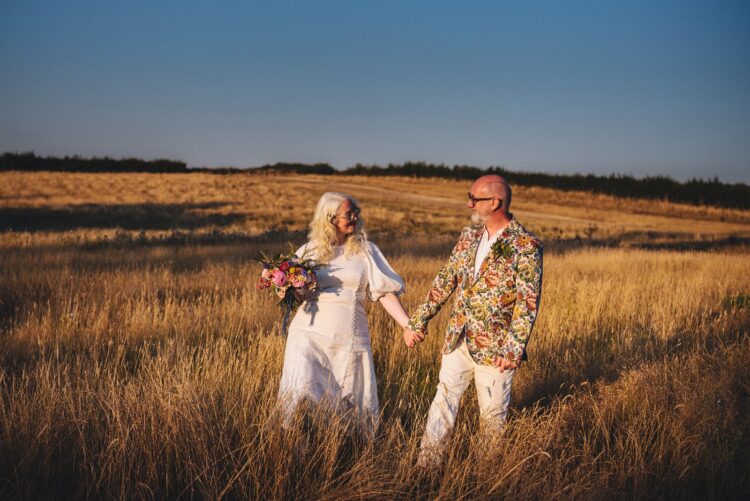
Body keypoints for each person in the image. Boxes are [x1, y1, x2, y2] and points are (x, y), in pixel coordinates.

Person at [404, 175, 543, 465]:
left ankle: (485, 476)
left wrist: (513, 348)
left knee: (492, 415)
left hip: (497, 346)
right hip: (458, 337)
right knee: (443, 398)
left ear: (495, 202)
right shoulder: (469, 236)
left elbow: (527, 301)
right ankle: (427, 465)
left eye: (474, 198)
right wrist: (418, 322)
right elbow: (446, 279)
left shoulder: (525, 244)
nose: (469, 203)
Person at [277, 192, 422, 435]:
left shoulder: (366, 251)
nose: (355, 217)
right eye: (348, 214)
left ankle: (346, 445)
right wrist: (287, 290)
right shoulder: (308, 251)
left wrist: (408, 324)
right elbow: (298, 294)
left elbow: (385, 292)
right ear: (330, 218)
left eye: (356, 212)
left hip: (349, 335)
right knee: (301, 389)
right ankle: (296, 444)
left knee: (350, 394)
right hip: (307, 334)